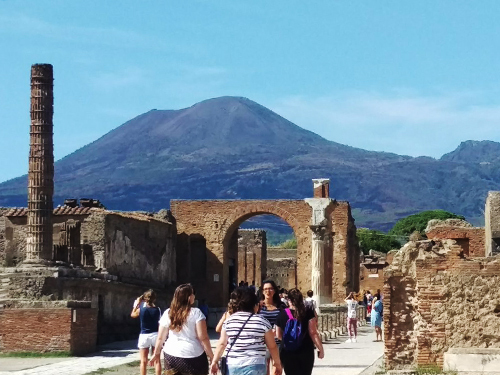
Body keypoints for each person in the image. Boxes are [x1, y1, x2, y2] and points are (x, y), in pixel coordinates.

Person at [210, 287, 282, 375]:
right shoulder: (262, 321)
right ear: (255, 306)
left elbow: (222, 344)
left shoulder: (229, 321)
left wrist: (214, 361)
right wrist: (277, 363)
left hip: (233, 364)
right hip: (255, 364)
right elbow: (272, 346)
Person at [150, 283, 214, 375]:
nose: (194, 296)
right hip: (193, 355)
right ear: (188, 297)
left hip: (171, 354)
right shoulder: (196, 313)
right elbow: (203, 337)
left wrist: (156, 353)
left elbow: (160, 337)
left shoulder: (168, 313)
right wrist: (212, 357)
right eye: (192, 294)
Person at [276, 288, 324, 375]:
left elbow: (278, 335)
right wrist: (320, 348)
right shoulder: (308, 312)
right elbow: (313, 333)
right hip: (305, 350)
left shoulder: (282, 314)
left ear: (288, 300)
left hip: (287, 352)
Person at [131, 289, 162, 375]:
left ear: (145, 299)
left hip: (144, 335)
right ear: (154, 299)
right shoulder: (158, 309)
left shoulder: (141, 309)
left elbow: (132, 315)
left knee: (143, 361)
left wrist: (136, 304)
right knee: (157, 360)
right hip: (155, 334)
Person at [259, 280, 282, 375]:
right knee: (264, 371)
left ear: (275, 291)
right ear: (262, 291)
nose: (268, 291)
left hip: (278, 342)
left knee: (277, 370)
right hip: (262, 342)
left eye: (271, 289)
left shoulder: (281, 306)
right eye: (265, 289)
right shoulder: (258, 307)